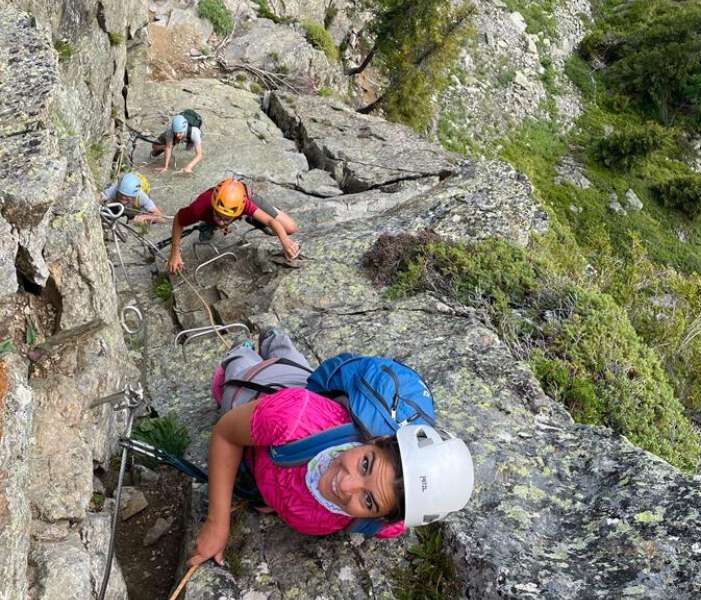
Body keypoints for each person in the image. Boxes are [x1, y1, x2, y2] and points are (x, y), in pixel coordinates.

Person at [188, 331, 475, 566]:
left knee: (292, 364)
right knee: (234, 375)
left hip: (292, 388)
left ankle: (275, 341)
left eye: (369, 501)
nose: (345, 485)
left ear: (381, 517)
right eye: (366, 464)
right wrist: (218, 522)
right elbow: (226, 433)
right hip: (263, 389)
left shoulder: (383, 523)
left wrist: (276, 499)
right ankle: (248, 345)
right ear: (375, 440)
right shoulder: (294, 418)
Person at [167, 178, 300, 273]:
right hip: (210, 211)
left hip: (245, 196)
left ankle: (263, 213)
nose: (221, 221)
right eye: (218, 215)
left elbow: (271, 222)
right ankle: (209, 224)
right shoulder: (199, 208)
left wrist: (285, 241)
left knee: (290, 228)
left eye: (226, 219)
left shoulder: (245, 204)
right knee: (215, 222)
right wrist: (174, 252)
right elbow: (179, 220)